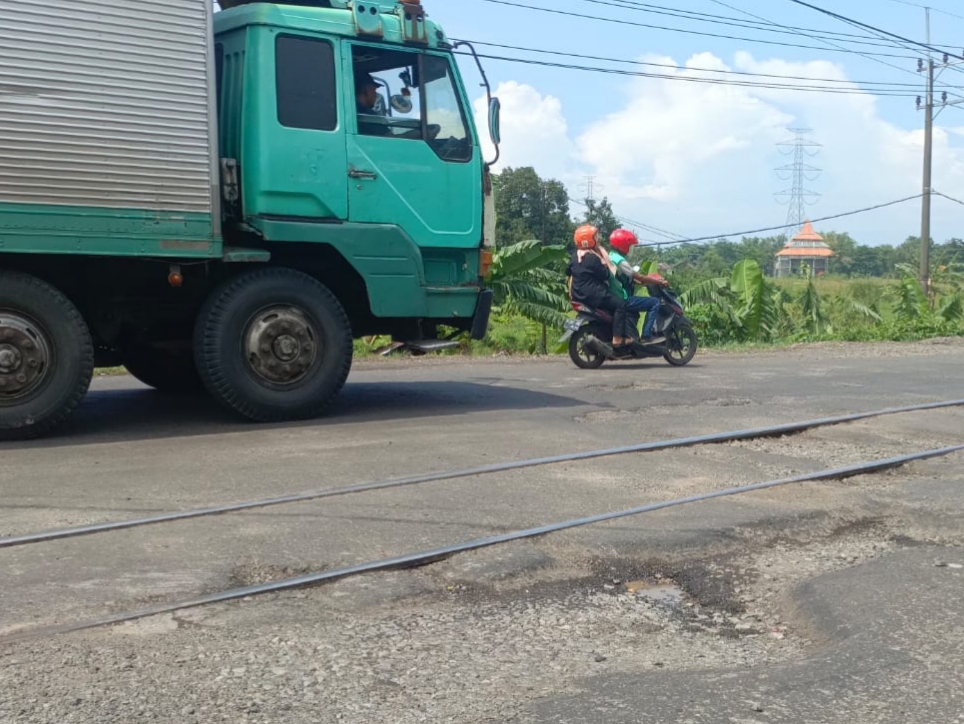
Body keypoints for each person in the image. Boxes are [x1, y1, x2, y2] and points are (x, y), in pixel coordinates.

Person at [567, 225, 628, 349]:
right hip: (595, 296)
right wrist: (604, 262)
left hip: (578, 296)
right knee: (621, 305)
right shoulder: (593, 258)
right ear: (588, 240)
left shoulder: (575, 257)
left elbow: (568, 271)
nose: (598, 238)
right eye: (595, 236)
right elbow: (605, 275)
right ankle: (617, 338)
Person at [607, 228, 670, 344]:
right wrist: (659, 282)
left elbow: (623, 278)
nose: (630, 249)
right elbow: (639, 276)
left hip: (613, 296)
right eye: (629, 246)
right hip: (623, 298)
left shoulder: (610, 256)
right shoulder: (620, 261)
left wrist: (641, 281)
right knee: (655, 302)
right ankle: (646, 335)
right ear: (623, 246)